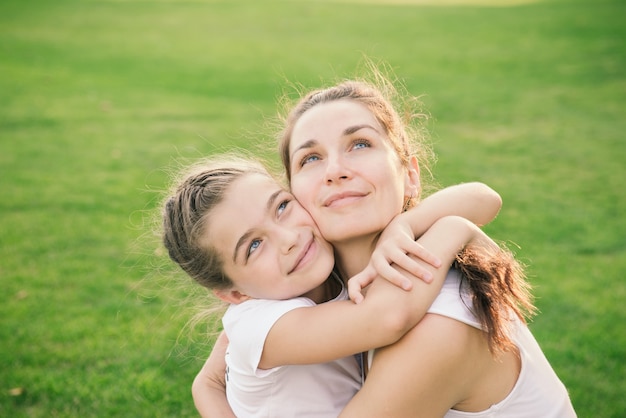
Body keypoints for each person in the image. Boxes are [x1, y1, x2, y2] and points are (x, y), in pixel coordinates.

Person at [193, 74, 576, 416]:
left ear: (410, 176)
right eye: (311, 158)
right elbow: (209, 379)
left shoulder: (436, 324)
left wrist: (450, 227)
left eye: (360, 144)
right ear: (293, 194)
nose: (335, 171)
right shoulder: (317, 290)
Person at [162, 154, 505, 417]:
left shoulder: (325, 275)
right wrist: (453, 230)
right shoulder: (261, 324)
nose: (289, 239)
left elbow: (486, 198)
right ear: (235, 295)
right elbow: (387, 317)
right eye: (254, 246)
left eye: (281, 207)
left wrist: (406, 224)